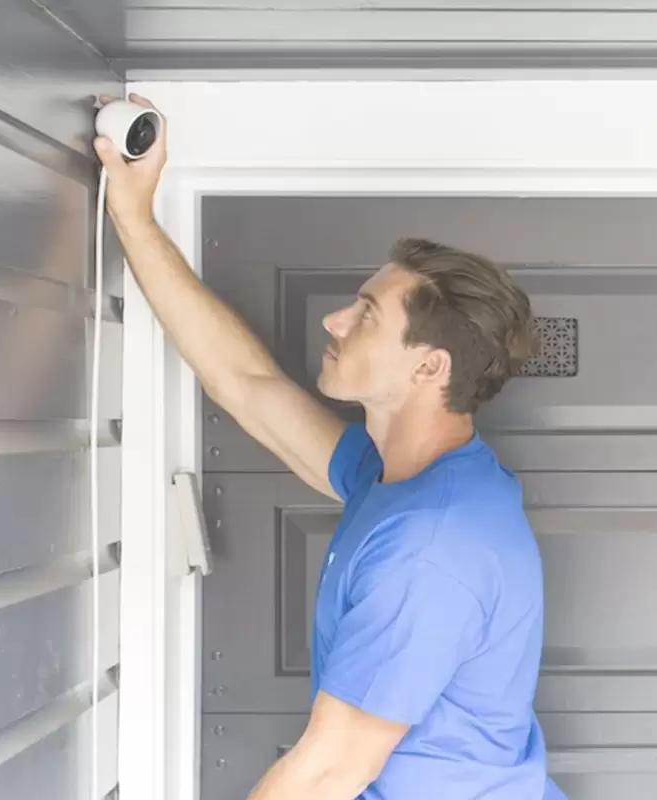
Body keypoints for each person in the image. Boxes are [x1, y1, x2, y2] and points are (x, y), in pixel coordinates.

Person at [95, 94, 566, 800]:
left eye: (368, 314)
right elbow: (247, 383)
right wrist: (134, 214)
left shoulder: (432, 546)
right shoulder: (398, 477)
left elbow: (328, 770)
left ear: (428, 367)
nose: (337, 319)